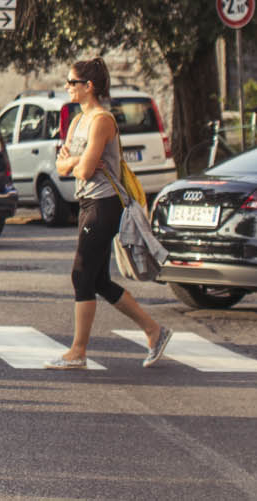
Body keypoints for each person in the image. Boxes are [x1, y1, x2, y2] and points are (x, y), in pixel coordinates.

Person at [46, 58, 171, 370]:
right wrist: (77, 161)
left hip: (105, 204)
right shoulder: (77, 122)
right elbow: (61, 166)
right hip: (87, 202)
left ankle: (78, 351)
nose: (66, 87)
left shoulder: (102, 120)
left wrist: (75, 161)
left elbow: (85, 169)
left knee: (81, 273)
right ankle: (154, 330)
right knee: (98, 279)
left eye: (71, 82)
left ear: (88, 87)